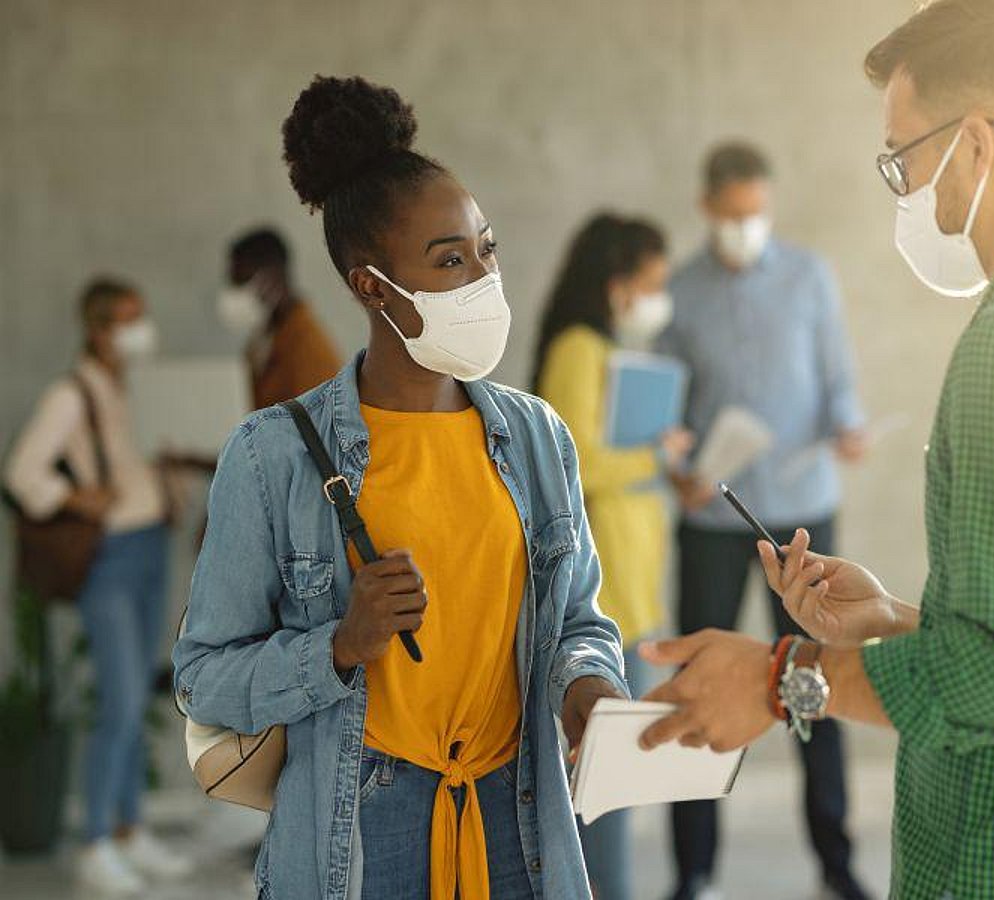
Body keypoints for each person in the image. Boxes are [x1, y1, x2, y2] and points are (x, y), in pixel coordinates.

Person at [639, 2, 994, 898]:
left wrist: (779, 677)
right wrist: (897, 620)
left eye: (903, 158)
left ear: (976, 145)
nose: (905, 191)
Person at [174, 75, 627, 900]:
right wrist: (340, 646)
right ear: (372, 287)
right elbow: (204, 678)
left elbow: (580, 623)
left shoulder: (535, 436)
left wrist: (589, 688)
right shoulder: (273, 456)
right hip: (361, 830)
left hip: (517, 824)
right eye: (449, 260)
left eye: (486, 250)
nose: (483, 279)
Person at [655, 141, 871, 900]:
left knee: (823, 680)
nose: (747, 225)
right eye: (733, 214)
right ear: (708, 207)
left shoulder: (810, 277)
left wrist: (849, 425)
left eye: (758, 212)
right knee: (699, 679)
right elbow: (667, 417)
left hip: (804, 509)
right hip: (715, 517)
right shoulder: (679, 292)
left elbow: (839, 380)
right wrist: (672, 469)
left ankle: (836, 868)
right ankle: (693, 873)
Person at [4, 278, 193, 896]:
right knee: (115, 701)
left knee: (135, 694)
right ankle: (93, 843)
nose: (142, 330)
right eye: (129, 320)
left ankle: (129, 831)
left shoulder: (133, 387)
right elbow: (22, 472)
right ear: (99, 328)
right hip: (106, 556)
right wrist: (74, 495)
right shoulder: (72, 392)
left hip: (147, 548)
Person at [533, 212, 692, 900]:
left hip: (628, 583)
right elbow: (574, 464)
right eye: (651, 283)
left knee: (610, 776)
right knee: (604, 777)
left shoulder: (601, 350)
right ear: (617, 282)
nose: (656, 298)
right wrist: (654, 455)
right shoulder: (577, 348)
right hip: (604, 592)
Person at [217, 226, 342, 410]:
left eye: (242, 282)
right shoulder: (264, 339)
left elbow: (314, 432)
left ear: (272, 277)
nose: (235, 294)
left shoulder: (309, 350)